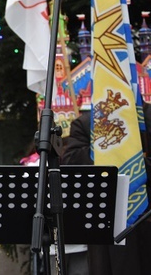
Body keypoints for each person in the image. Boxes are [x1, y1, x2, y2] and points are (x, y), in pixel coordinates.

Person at [61, 104, 151, 275]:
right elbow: (71, 164)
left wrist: (132, 160)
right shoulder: (86, 122)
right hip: (104, 227)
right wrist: (104, 150)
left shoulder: (147, 114)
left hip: (145, 221)